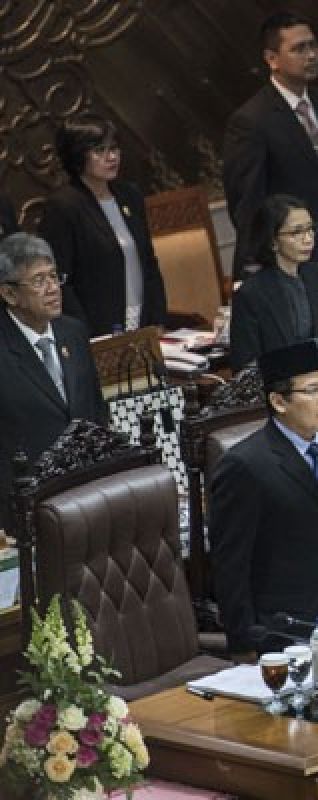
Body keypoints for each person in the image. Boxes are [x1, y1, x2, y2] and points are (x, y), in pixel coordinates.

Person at [208, 339, 318, 657]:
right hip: (286, 635)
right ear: (279, 401)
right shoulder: (245, 465)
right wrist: (245, 643)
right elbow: (231, 567)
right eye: (312, 390)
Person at [223, 11, 318, 278]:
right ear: (271, 59)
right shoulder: (251, 121)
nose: (311, 56)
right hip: (289, 266)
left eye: (314, 46)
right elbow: (249, 210)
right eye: (299, 49)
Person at [0, 234, 105, 530]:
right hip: (27, 505)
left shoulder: (73, 332)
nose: (52, 289)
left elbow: (95, 410)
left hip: (87, 493)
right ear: (10, 294)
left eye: (54, 276)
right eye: (38, 281)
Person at [37, 115, 167, 336]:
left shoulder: (130, 195)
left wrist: (158, 319)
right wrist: (81, 333)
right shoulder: (63, 206)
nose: (112, 157)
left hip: (144, 321)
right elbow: (61, 282)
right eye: (100, 150)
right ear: (78, 156)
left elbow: (149, 263)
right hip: (96, 330)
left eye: (114, 148)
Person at [229, 194, 318, 372]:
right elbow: (245, 365)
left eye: (310, 229)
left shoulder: (315, 276)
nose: (308, 239)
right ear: (272, 241)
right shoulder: (252, 293)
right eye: (297, 232)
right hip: (282, 391)